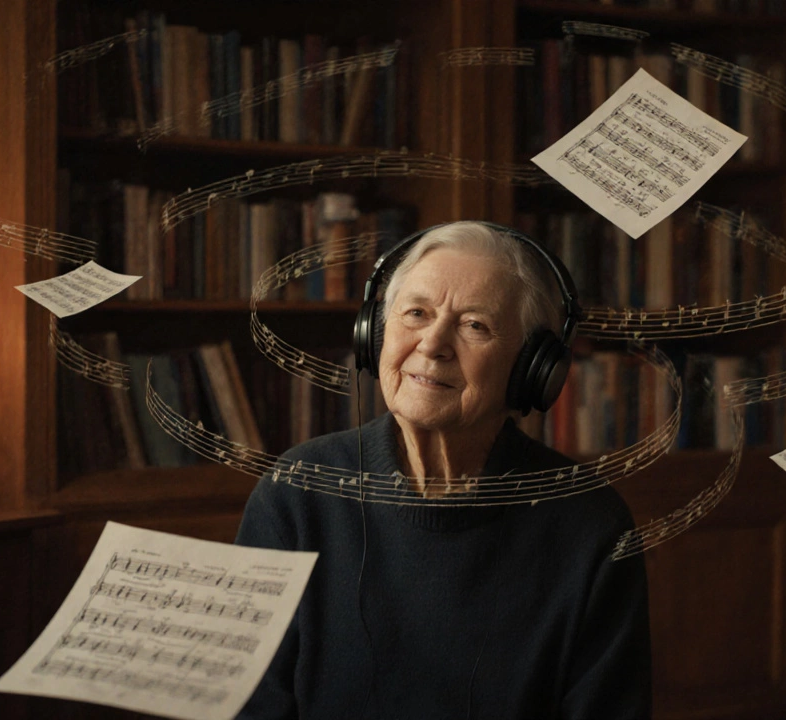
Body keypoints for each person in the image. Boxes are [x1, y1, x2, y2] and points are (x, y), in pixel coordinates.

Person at [235, 221, 651, 719]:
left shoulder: (590, 523)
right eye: (416, 313)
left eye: (475, 325)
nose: (432, 344)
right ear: (376, 333)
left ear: (531, 370)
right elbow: (251, 705)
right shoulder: (296, 492)